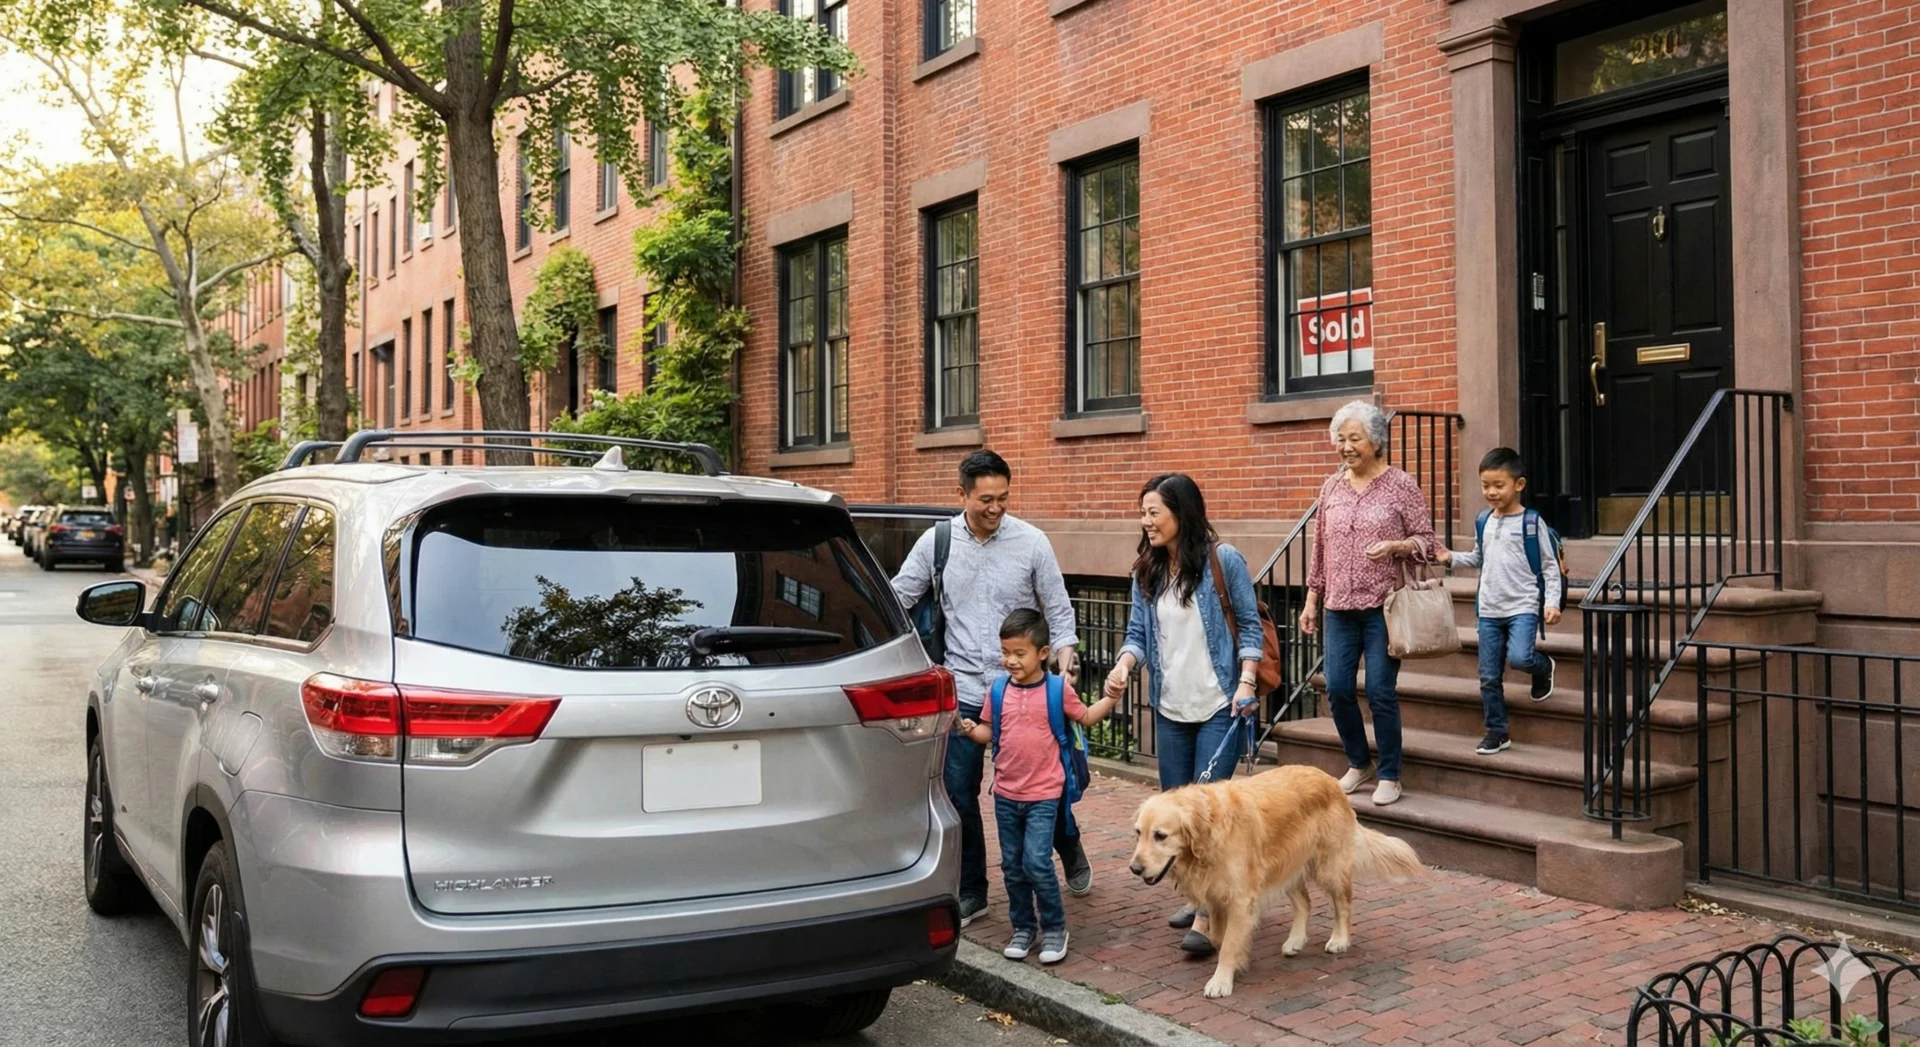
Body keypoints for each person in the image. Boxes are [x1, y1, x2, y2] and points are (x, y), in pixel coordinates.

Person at [892, 450, 1085, 928]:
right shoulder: (937, 544)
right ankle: (973, 888)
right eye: (984, 500)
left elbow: (1059, 615)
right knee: (959, 791)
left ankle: (1069, 844)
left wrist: (1064, 667)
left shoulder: (1032, 543)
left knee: (1043, 787)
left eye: (1002, 498)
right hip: (963, 689)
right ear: (961, 495)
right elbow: (900, 598)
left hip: (1025, 691)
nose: (995, 508)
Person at [1102, 473, 1264, 958]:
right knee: (1176, 817)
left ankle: (1207, 916)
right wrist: (1124, 664)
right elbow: (1137, 633)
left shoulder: (1223, 561)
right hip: (1171, 709)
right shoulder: (1146, 572)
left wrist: (1247, 681)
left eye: (1154, 512)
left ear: (1182, 514)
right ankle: (1199, 894)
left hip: (1220, 705)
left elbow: (1251, 624)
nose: (1145, 521)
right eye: (1144, 512)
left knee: (1208, 818)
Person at [957, 610, 1116, 966]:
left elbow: (1086, 717)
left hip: (1045, 795)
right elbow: (988, 733)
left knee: (1037, 863)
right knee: (1012, 865)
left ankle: (1055, 928)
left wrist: (1112, 698)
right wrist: (969, 729)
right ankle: (1023, 928)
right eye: (1005, 652)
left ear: (1043, 653)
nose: (1010, 660)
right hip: (1006, 796)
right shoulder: (997, 690)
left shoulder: (1057, 690)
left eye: (1019, 653)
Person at [1301, 400, 1438, 808]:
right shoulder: (1331, 487)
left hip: (1384, 606)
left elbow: (1426, 541)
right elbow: (1320, 547)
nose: (1345, 446)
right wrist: (1312, 599)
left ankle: (1391, 772)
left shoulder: (1401, 485)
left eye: (1354, 438)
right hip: (1338, 607)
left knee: (1380, 690)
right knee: (1339, 689)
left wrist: (1398, 546)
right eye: (1340, 439)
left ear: (1376, 441)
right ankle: (1360, 763)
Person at [1436, 447, 1563, 755]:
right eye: (1485, 485)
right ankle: (1497, 731)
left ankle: (1543, 667)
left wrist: (1553, 602)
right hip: (1490, 609)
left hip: (1523, 605)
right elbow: (1479, 557)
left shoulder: (1532, 523)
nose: (1490, 492)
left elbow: (1550, 566)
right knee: (1489, 675)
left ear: (1519, 485)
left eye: (1498, 485)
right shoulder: (1484, 521)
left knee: (1520, 658)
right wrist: (1450, 557)